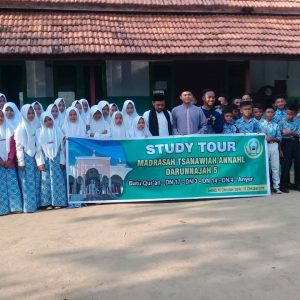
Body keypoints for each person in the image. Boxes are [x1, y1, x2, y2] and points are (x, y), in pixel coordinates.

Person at [36, 112, 68, 208]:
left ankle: (59, 202)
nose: (48, 122)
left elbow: (62, 148)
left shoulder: (58, 131)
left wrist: (62, 161)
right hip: (46, 160)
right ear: (42, 122)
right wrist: (40, 162)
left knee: (58, 181)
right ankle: (47, 203)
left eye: (50, 119)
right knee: (46, 181)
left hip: (57, 160)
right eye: (45, 120)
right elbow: (38, 150)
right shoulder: (39, 132)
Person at [15, 104, 41, 213]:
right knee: (27, 182)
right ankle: (29, 207)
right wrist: (21, 161)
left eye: (32, 113)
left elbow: (39, 141)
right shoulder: (20, 127)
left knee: (36, 180)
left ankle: (37, 204)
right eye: (28, 113)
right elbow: (19, 146)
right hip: (26, 157)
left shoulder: (37, 124)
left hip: (36, 156)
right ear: (24, 114)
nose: (30, 115)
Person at [0, 110, 22, 215]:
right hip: (0, 164)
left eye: (1, 116)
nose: (0, 118)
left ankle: (15, 207)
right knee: (1, 187)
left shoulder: (10, 130)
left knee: (13, 186)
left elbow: (13, 146)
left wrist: (9, 159)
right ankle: (3, 209)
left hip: (10, 163)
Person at [260, 106, 282, 194]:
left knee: (275, 167)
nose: (270, 114)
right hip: (263, 146)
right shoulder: (259, 124)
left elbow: (279, 138)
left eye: (272, 112)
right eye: (268, 112)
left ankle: (276, 187)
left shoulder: (276, 125)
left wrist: (271, 139)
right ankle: (265, 186)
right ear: (264, 113)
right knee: (264, 167)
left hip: (273, 146)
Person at [278, 105, 300, 192]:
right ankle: (284, 185)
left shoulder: (298, 121)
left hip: (296, 142)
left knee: (298, 163)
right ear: (285, 113)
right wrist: (280, 149)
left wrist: (290, 132)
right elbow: (280, 135)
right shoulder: (281, 122)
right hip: (285, 143)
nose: (289, 116)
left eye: (291, 114)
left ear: (295, 114)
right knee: (286, 164)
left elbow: (298, 134)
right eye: (287, 114)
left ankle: (297, 184)